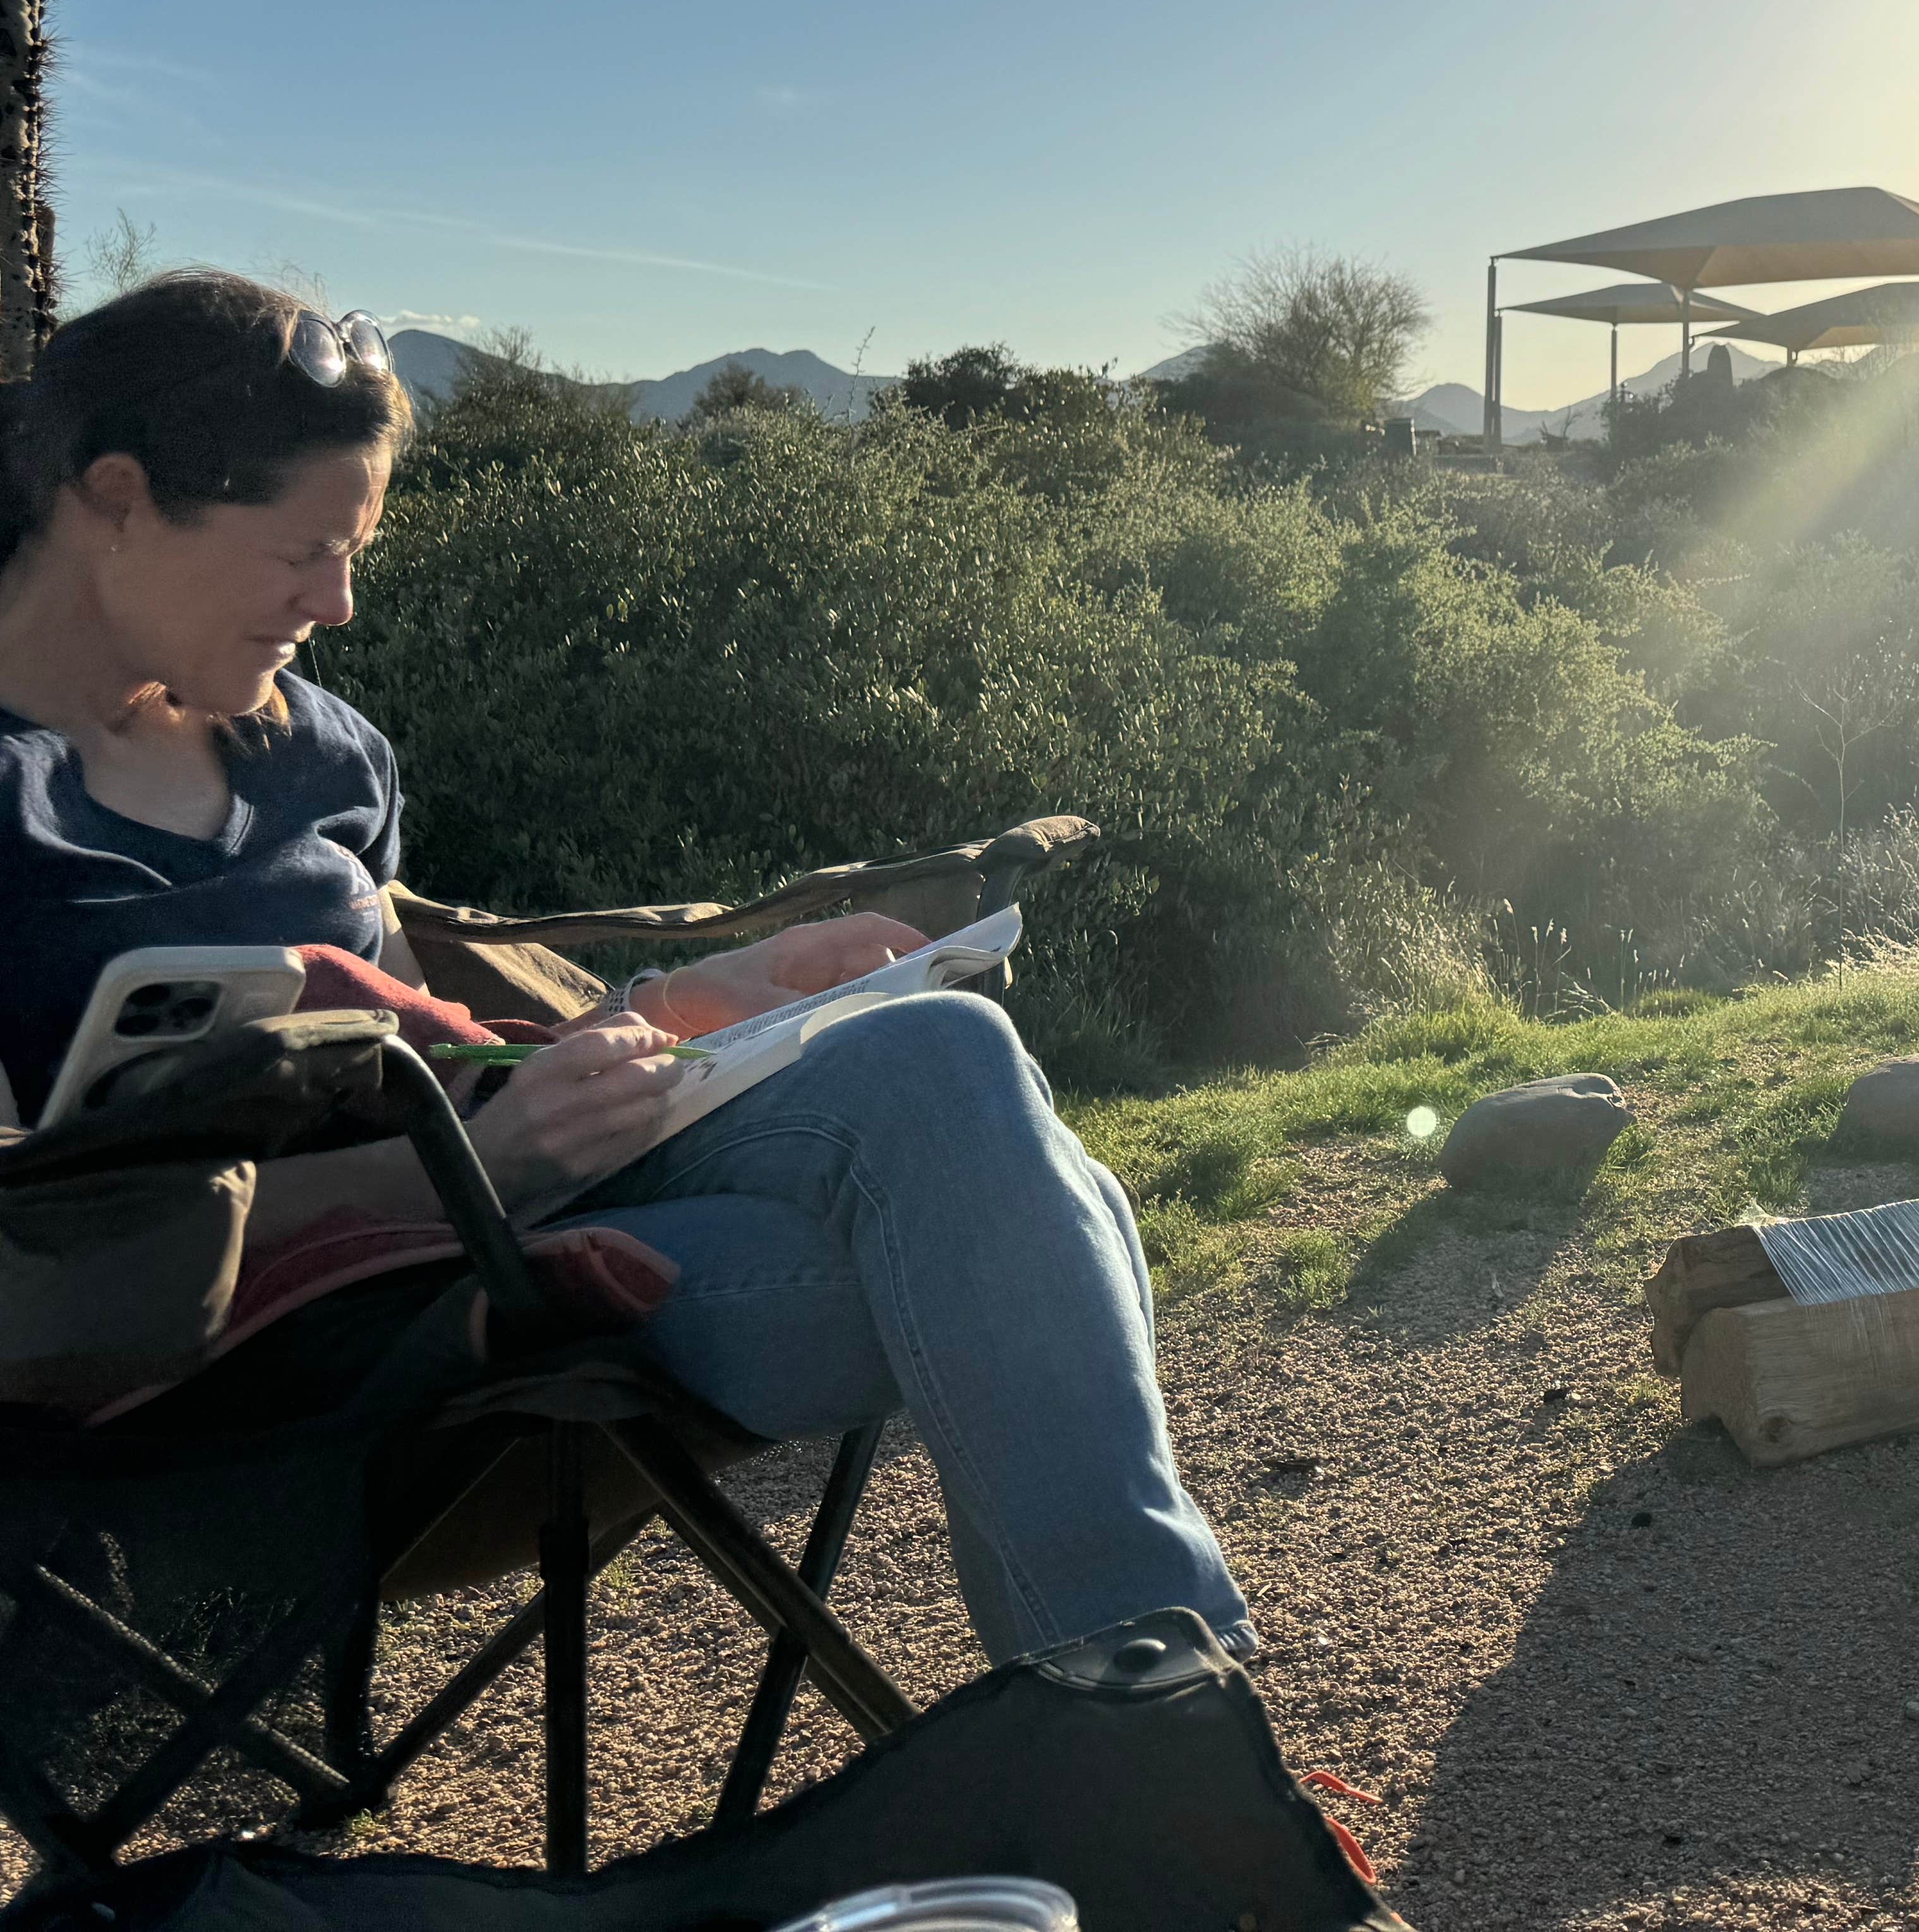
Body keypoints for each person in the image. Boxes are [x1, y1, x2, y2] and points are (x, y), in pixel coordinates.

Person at [0, 272, 1257, 1665]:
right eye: (300, 550)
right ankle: (1155, 1717)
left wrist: (714, 998)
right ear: (114, 498)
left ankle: (1146, 1705)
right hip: (256, 1366)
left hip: (497, 1229)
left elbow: (456, 1040)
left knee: (947, 1062)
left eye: (354, 550)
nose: (340, 604)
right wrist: (486, 1171)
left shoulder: (320, 751)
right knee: (1034, 1229)